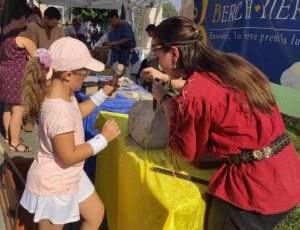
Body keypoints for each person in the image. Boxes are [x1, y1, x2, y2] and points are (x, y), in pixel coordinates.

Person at [141, 16, 300, 230]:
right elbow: (207, 94)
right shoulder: (233, 66)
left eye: (158, 55)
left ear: (175, 53)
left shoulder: (198, 93)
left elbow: (189, 149)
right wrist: (166, 78)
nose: (158, 62)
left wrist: (165, 99)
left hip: (251, 192)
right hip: (286, 175)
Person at [20, 37, 121, 230]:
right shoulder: (58, 111)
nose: (83, 79)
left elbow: (76, 113)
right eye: (83, 76)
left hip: (70, 173)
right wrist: (103, 139)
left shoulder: (63, 94)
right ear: (68, 75)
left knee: (96, 214)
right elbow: (68, 155)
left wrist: (103, 93)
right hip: (55, 184)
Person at [0, 2, 37, 152]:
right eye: (27, 19)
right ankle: (15, 144)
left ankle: (9, 136)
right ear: (23, 18)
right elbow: (37, 55)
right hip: (17, 75)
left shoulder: (4, 30)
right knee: (18, 110)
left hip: (4, 72)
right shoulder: (22, 35)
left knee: (8, 107)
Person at [24, 6, 64, 132]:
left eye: (56, 23)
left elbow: (63, 41)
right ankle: (30, 119)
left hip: (53, 66)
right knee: (34, 93)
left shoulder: (56, 28)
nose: (55, 25)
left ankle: (46, 118)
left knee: (50, 93)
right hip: (37, 65)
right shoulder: (32, 27)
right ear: (45, 18)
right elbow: (32, 49)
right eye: (53, 22)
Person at [105, 11, 139, 78]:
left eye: (111, 21)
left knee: (126, 75)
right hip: (123, 53)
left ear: (115, 17)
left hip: (127, 53)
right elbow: (123, 43)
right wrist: (112, 44)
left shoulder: (125, 24)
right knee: (122, 74)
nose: (111, 23)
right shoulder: (121, 27)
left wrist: (114, 43)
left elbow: (129, 38)